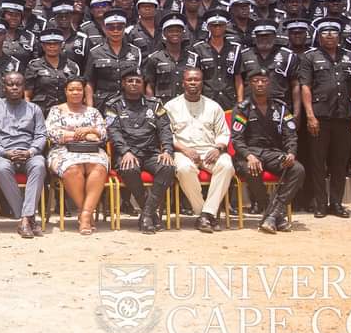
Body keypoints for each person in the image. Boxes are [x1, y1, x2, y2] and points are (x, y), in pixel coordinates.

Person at [299, 18, 351, 219]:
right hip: (320, 117)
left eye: (333, 32)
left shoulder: (350, 57)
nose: (329, 35)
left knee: (340, 161)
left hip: (343, 116)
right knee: (318, 162)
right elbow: (305, 87)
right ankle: (320, 203)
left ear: (340, 36)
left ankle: (336, 202)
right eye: (325, 32)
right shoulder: (310, 57)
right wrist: (310, 115)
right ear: (318, 36)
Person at [231, 69, 305, 234]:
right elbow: (237, 139)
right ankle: (273, 216)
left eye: (263, 81)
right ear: (250, 84)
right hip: (248, 154)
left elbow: (291, 135)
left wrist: (291, 153)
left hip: (272, 153)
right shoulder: (243, 109)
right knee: (252, 169)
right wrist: (249, 156)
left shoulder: (280, 108)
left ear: (269, 83)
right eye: (256, 81)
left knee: (298, 169)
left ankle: (273, 213)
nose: (260, 84)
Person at [104, 68, 174, 234]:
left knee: (168, 167)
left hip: (150, 153)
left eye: (137, 81)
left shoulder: (155, 105)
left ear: (143, 84)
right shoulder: (113, 105)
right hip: (127, 153)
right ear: (123, 83)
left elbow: (165, 129)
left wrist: (167, 151)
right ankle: (150, 214)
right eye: (130, 81)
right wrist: (125, 151)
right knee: (129, 168)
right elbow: (113, 131)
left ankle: (147, 214)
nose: (134, 84)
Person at [165, 68, 234, 233]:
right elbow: (166, 135)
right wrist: (185, 150)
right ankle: (206, 214)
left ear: (202, 83)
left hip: (210, 151)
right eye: (189, 80)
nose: (193, 83)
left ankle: (205, 215)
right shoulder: (171, 106)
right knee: (183, 168)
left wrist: (218, 148)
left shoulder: (213, 106)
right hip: (183, 152)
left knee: (226, 165)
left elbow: (223, 133)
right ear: (183, 83)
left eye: (197, 80)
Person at [0, 72, 48, 239]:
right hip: (3, 153)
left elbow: (41, 135)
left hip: (29, 153)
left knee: (39, 165)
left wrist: (31, 151)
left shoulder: (34, 109)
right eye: (10, 84)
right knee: (2, 168)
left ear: (23, 87)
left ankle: (25, 219)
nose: (14, 87)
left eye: (18, 84)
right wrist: (4, 152)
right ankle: (27, 217)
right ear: (3, 87)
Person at [45, 77, 109, 236]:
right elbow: (52, 133)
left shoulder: (93, 112)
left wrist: (91, 130)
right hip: (63, 150)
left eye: (79, 89)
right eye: (71, 89)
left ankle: (85, 215)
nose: (75, 92)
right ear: (65, 91)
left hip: (92, 151)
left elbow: (102, 134)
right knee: (73, 169)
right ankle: (86, 214)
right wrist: (81, 134)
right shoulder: (56, 110)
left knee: (99, 168)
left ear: (84, 92)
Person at [83, 8, 143, 109]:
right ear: (105, 29)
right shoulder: (95, 52)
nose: (115, 31)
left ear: (124, 28)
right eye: (111, 28)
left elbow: (140, 80)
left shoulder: (135, 51)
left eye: (119, 27)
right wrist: (90, 108)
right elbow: (89, 82)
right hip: (103, 103)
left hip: (129, 103)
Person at [23, 27, 81, 115]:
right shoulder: (34, 66)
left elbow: (77, 92)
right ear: (42, 46)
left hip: (66, 113)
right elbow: (27, 95)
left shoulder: (72, 66)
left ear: (62, 45)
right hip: (41, 112)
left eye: (56, 43)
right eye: (48, 43)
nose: (52, 46)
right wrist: (30, 114)